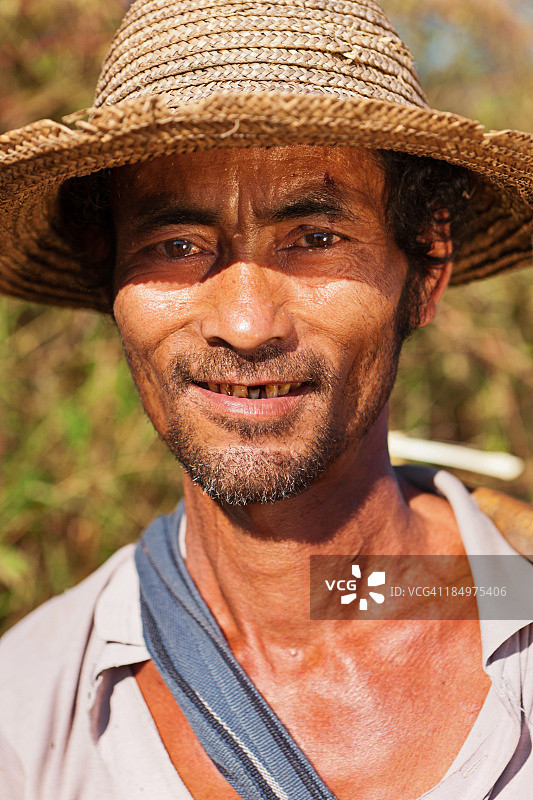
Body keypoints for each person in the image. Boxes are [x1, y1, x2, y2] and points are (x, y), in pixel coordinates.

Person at [1, 0, 533, 798]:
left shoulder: (504, 594)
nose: (246, 325)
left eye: (315, 239)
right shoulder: (30, 712)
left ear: (424, 270)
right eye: (176, 247)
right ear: (109, 278)